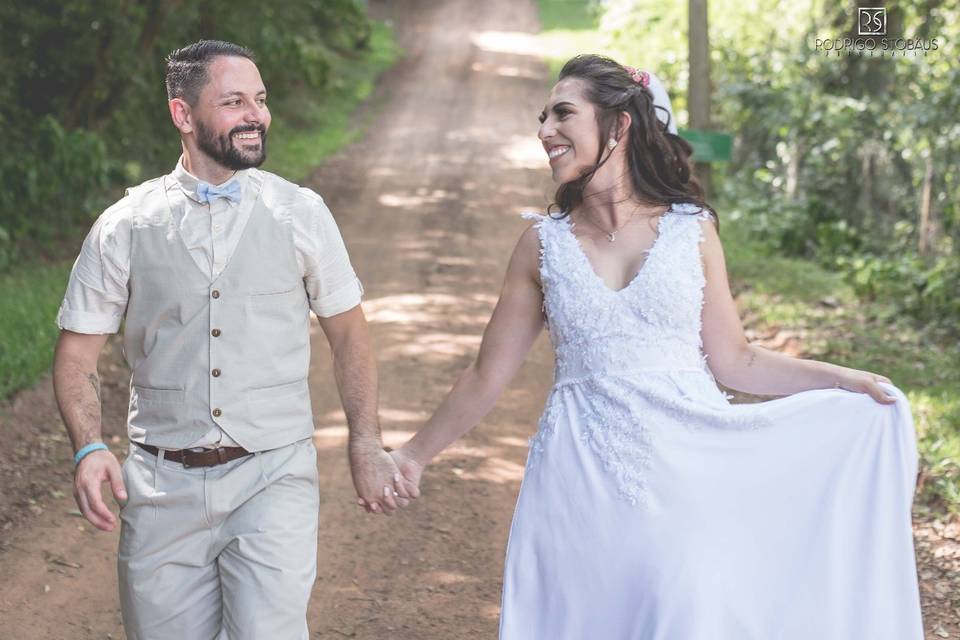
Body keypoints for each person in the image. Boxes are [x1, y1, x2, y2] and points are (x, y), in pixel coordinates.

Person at [388, 54, 924, 639]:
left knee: (683, 611)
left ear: (619, 126)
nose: (544, 131)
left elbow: (737, 361)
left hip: (690, 470)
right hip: (576, 478)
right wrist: (411, 456)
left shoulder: (692, 230)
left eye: (563, 114)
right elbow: (485, 376)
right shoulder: (540, 245)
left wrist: (844, 381)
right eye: (542, 118)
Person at [52, 39, 415, 639]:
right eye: (234, 101)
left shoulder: (301, 212)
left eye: (261, 100)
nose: (256, 115)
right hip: (160, 483)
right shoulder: (124, 226)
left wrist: (366, 442)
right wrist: (89, 448)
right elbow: (76, 355)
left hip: (273, 474)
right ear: (183, 115)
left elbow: (349, 335)